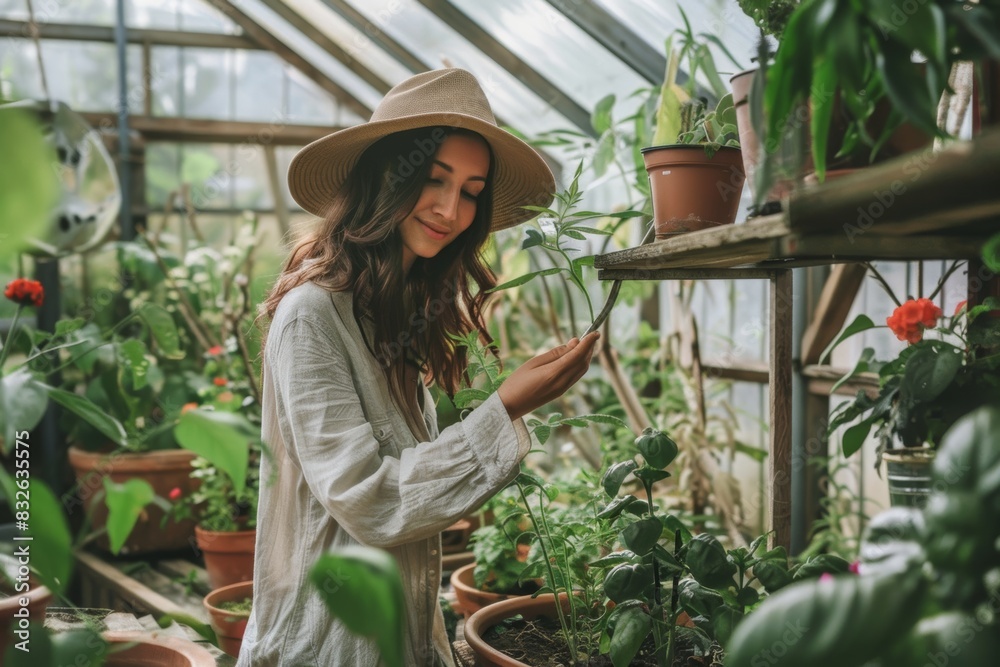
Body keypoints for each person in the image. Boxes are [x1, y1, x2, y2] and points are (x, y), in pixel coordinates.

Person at [236, 68, 600, 666]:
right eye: (433, 179)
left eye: (472, 190)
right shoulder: (313, 315)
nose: (451, 208)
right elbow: (370, 498)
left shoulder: (391, 311)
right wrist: (506, 407)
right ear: (386, 177)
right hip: (327, 643)